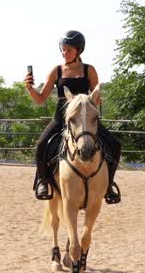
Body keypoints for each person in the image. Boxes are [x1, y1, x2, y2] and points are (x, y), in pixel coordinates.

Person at [24, 30, 121, 204]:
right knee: (40, 146)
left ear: (78, 50)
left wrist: (97, 99)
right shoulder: (57, 71)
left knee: (115, 144)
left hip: (84, 118)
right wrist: (30, 88)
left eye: (68, 49)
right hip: (61, 117)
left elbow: (96, 99)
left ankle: (109, 186)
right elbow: (40, 100)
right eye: (63, 49)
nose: (64, 53)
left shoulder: (89, 70)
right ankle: (43, 182)